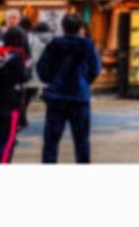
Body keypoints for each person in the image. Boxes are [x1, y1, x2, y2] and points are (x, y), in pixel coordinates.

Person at [36, 12, 99, 164]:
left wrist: (52, 80)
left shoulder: (54, 45)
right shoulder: (87, 45)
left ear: (63, 28)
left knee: (51, 141)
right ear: (80, 28)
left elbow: (42, 69)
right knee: (82, 141)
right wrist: (85, 81)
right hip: (79, 96)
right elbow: (95, 69)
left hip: (57, 97)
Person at [0, 17, 34, 163]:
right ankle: (2, 162)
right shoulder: (17, 56)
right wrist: (28, 68)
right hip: (11, 102)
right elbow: (23, 77)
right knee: (8, 139)